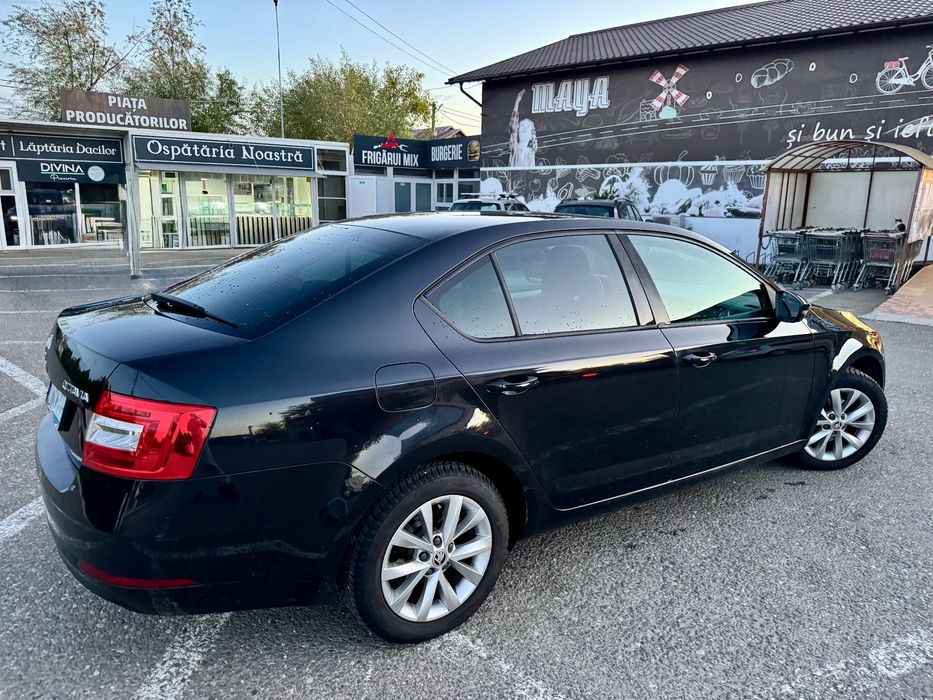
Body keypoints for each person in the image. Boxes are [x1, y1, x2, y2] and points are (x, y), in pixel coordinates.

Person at [509, 89, 537, 168]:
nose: (524, 128)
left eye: (528, 127)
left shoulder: (532, 150)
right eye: (522, 126)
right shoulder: (514, 146)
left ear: (532, 135)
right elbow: (513, 125)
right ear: (518, 131)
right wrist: (517, 101)